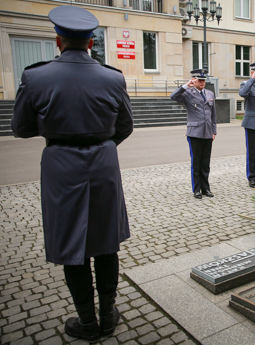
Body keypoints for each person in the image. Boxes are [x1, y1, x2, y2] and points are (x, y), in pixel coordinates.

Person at [11, 6, 133, 342]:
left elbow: (20, 128)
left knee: (71, 243)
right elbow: (125, 126)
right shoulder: (113, 76)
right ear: (92, 42)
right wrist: (100, 143)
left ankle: (87, 323)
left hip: (61, 164)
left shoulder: (35, 76)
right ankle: (108, 316)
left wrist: (61, 130)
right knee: (107, 243)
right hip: (104, 162)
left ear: (58, 41)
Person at [170, 69, 217, 199]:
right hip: (195, 132)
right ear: (194, 80)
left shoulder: (209, 93)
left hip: (207, 132)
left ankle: (206, 188)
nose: (202, 82)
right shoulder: (188, 93)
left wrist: (214, 131)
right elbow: (173, 96)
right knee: (196, 162)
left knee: (205, 163)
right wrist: (186, 85)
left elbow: (213, 114)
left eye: (203, 80)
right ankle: (197, 189)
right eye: (199, 80)